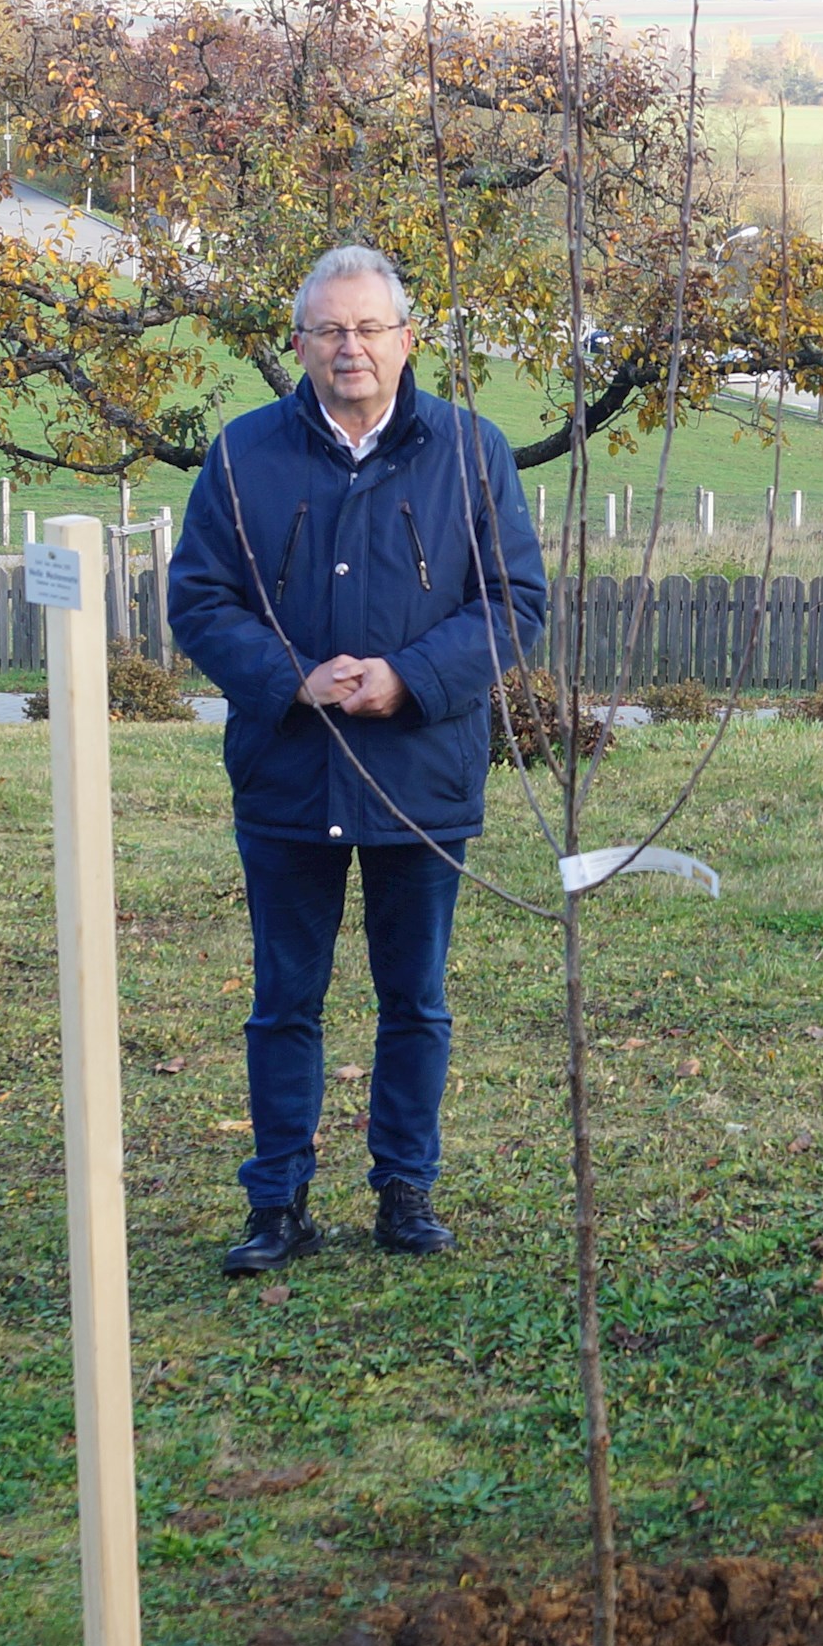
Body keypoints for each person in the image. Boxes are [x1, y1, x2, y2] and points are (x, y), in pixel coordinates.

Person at [165, 245, 550, 1275]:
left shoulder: (472, 452)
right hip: (287, 776)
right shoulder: (243, 455)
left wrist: (409, 678)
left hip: (421, 777)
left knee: (412, 997)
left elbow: (516, 605)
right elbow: (198, 600)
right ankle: (278, 1200)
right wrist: (289, 676)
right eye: (330, 330)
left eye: (369, 327)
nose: (350, 348)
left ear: (406, 338)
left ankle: (403, 1192)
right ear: (298, 344)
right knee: (284, 999)